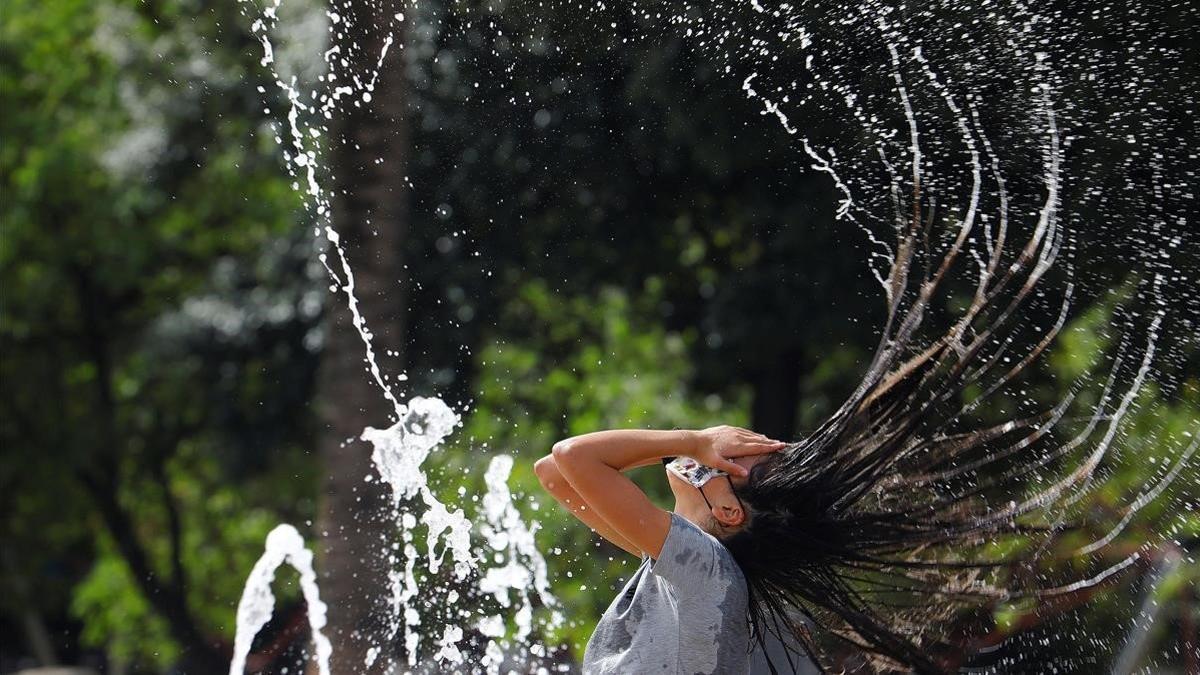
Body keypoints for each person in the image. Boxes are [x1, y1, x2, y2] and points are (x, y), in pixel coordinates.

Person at [535, 426, 816, 674]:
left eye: (725, 459)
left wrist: (693, 443)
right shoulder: (684, 567)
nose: (712, 453)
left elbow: (573, 456)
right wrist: (682, 449)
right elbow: (552, 473)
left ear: (729, 510)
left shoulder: (707, 566)